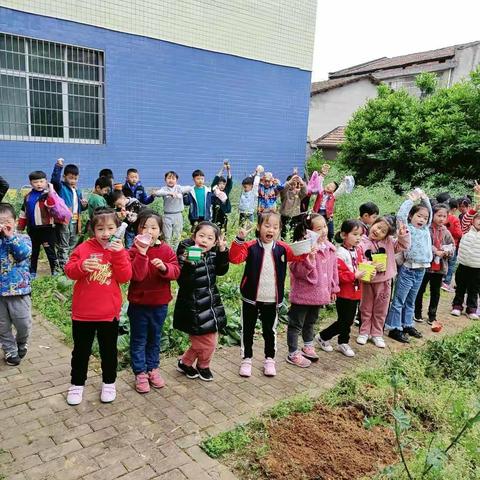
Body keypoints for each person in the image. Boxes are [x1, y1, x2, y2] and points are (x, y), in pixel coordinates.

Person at [64, 208, 132, 405]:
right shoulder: (84, 248)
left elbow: (125, 277)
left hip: (108, 314)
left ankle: (109, 383)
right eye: (100, 228)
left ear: (117, 229)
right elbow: (69, 270)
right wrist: (81, 266)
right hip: (82, 313)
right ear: (93, 230)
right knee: (80, 351)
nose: (106, 233)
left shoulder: (119, 250)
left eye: (111, 228)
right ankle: (77, 385)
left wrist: (119, 255)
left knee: (108, 351)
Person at [229, 211, 305, 377]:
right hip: (250, 298)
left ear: (279, 230)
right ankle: (246, 359)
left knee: (269, 331)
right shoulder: (250, 246)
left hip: (273, 299)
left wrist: (307, 247)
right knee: (247, 330)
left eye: (275, 227)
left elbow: (299, 256)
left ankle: (270, 359)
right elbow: (234, 259)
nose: (271, 229)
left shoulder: (283, 248)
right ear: (259, 227)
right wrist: (239, 240)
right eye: (267, 225)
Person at [128, 211, 180, 393]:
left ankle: (153, 368)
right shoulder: (133, 250)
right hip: (138, 305)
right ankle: (140, 372)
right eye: (144, 227)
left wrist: (165, 267)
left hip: (159, 304)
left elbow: (176, 271)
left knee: (155, 338)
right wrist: (142, 254)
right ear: (138, 229)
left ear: (160, 231)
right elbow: (136, 275)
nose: (148, 231)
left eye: (153, 227)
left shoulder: (166, 250)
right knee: (139, 339)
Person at [174, 222, 229, 381]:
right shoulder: (186, 254)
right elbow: (185, 283)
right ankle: (203, 365)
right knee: (207, 343)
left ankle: (185, 363)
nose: (205, 240)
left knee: (206, 339)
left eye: (210, 238)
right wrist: (190, 263)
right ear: (194, 237)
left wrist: (222, 251)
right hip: (193, 307)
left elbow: (221, 270)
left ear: (215, 242)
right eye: (201, 236)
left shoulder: (212, 254)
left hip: (211, 305)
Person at [286, 214, 339, 367]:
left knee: (311, 321)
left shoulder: (330, 248)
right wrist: (308, 258)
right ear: (308, 232)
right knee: (296, 324)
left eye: (325, 226)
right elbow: (298, 272)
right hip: (303, 295)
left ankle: (307, 345)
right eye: (318, 228)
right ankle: (293, 352)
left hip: (320, 294)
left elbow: (333, 270)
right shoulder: (302, 249)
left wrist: (334, 287)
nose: (324, 231)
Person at [384, 189, 433, 343]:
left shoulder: (426, 229)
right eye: (419, 216)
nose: (422, 219)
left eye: (425, 218)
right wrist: (411, 200)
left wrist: (425, 198)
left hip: (421, 270)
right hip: (407, 269)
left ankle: (407, 324)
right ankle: (394, 327)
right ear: (412, 216)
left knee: (411, 300)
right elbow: (400, 216)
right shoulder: (407, 229)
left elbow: (430, 213)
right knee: (399, 300)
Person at [315, 220, 366, 357]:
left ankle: (339, 340)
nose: (358, 238)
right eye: (355, 234)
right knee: (345, 320)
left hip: (356, 292)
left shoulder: (358, 250)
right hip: (344, 293)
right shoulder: (339, 253)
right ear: (344, 235)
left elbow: (361, 265)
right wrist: (354, 275)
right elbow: (338, 275)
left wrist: (369, 267)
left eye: (360, 235)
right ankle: (327, 337)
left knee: (348, 320)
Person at [358, 216, 410, 348]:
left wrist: (402, 235)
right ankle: (364, 331)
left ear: (386, 235)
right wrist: (371, 264)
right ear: (373, 224)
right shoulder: (361, 241)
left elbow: (403, 245)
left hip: (385, 281)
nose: (378, 231)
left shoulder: (389, 242)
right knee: (366, 307)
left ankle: (377, 333)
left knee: (381, 308)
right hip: (368, 281)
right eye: (378, 226)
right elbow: (358, 259)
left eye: (383, 231)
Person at [0, 203, 32, 366]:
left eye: (6, 221)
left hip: (19, 290)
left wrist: (10, 237)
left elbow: (23, 254)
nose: (3, 225)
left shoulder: (22, 238)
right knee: (2, 325)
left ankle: (21, 342)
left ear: (14, 221)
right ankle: (10, 351)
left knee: (23, 323)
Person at [414, 203, 454, 326]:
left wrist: (446, 252)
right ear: (433, 215)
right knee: (420, 290)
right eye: (439, 215)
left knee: (435, 291)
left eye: (444, 216)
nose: (441, 218)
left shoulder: (446, 232)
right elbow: (423, 244)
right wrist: (434, 250)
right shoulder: (426, 229)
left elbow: (452, 247)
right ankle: (417, 312)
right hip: (425, 266)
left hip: (440, 268)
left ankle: (432, 315)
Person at [17, 171, 58, 276]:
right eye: (35, 182)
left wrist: (51, 192)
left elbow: (54, 206)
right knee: (33, 252)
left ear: (46, 182)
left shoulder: (49, 194)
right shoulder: (28, 197)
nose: (39, 184)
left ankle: (55, 272)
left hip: (47, 228)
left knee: (50, 251)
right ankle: (32, 272)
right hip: (33, 229)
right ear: (31, 183)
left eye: (41, 181)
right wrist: (20, 228)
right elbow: (23, 213)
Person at [51, 158, 87, 271]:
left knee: (72, 242)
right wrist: (58, 167)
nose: (73, 181)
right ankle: (63, 267)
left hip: (76, 220)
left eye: (75, 178)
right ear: (64, 177)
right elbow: (54, 181)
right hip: (64, 220)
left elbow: (81, 207)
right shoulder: (61, 187)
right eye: (70, 178)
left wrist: (84, 205)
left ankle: (69, 263)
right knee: (63, 244)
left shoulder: (77, 191)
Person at [451, 184, 480, 320]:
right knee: (460, 286)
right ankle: (457, 306)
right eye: (478, 219)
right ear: (473, 220)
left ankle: (472, 309)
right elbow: (469, 214)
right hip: (463, 264)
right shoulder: (466, 228)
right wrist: (477, 196)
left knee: (474, 289)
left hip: (477, 267)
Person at [310, 164, 352, 242]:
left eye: (332, 186)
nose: (329, 186)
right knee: (316, 228)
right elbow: (319, 182)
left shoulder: (333, 196)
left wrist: (344, 181)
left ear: (333, 190)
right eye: (329, 184)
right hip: (318, 212)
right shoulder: (320, 191)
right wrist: (322, 174)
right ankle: (315, 241)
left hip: (328, 215)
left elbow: (341, 189)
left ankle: (331, 243)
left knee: (330, 232)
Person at [153, 171, 192, 249]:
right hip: (167, 215)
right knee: (167, 236)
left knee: (177, 236)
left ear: (176, 180)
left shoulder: (179, 188)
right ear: (165, 180)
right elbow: (157, 193)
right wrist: (169, 193)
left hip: (178, 215)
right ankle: (167, 252)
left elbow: (189, 188)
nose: (171, 180)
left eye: (173, 178)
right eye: (169, 178)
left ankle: (174, 252)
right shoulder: (164, 189)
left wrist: (180, 192)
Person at [442, 198, 462, 292]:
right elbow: (458, 233)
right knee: (451, 264)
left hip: (441, 243)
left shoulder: (442, 216)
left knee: (442, 261)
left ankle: (441, 280)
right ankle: (446, 282)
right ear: (454, 209)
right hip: (452, 244)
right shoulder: (454, 219)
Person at [279, 173, 307, 240]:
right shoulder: (285, 193)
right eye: (291, 184)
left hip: (296, 216)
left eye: (294, 184)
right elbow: (283, 189)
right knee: (284, 232)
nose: (292, 186)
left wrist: (301, 182)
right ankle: (284, 244)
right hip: (285, 216)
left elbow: (305, 192)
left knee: (295, 233)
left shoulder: (298, 193)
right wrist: (290, 182)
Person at [211, 161, 233, 232]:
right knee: (214, 229)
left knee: (223, 230)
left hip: (224, 214)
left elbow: (229, 180)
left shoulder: (226, 191)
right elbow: (216, 178)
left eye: (223, 184)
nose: (222, 185)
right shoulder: (214, 190)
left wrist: (228, 170)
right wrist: (223, 169)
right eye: (220, 183)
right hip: (215, 214)